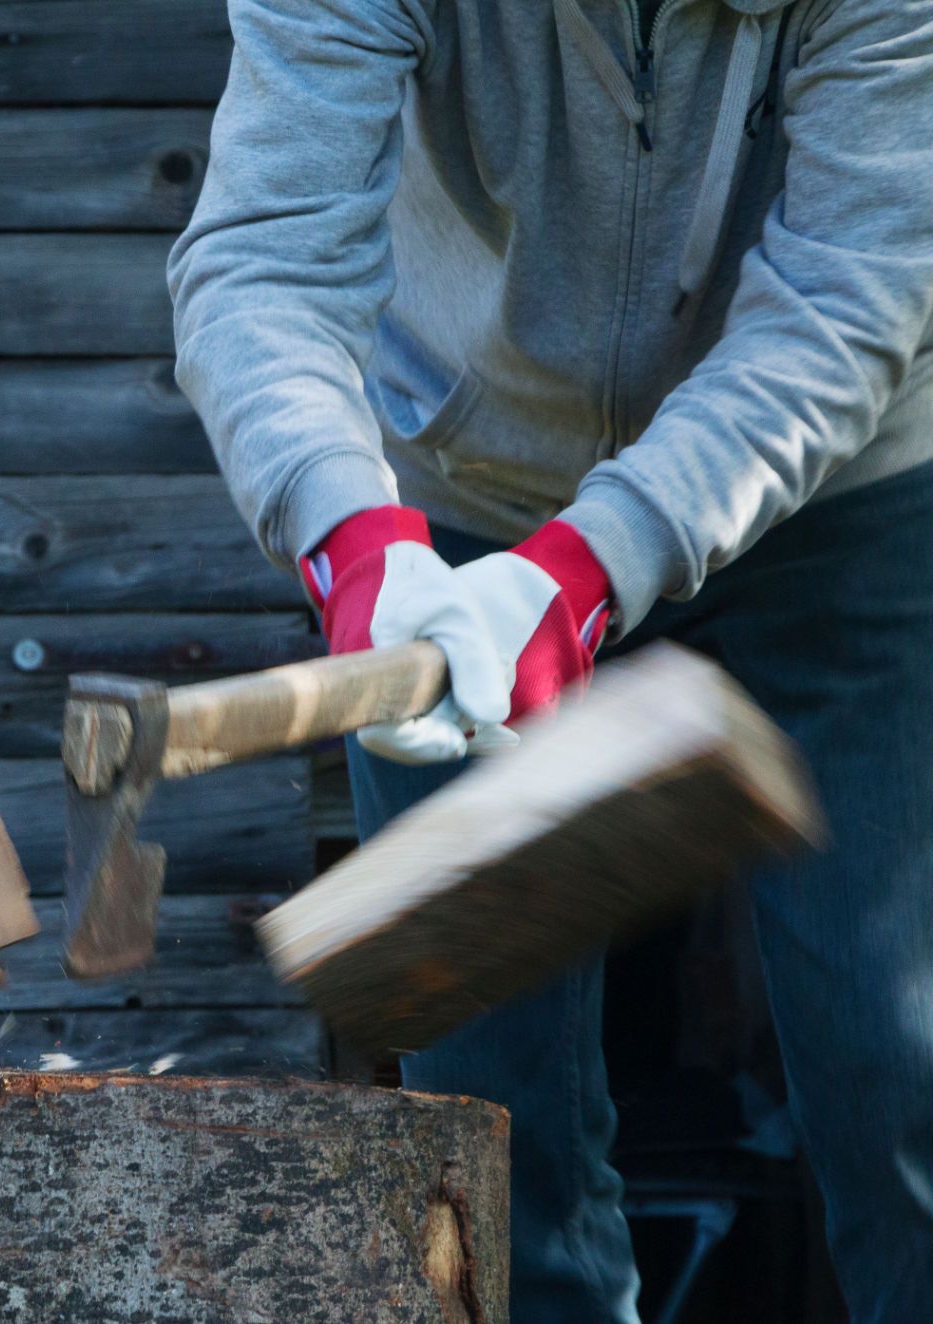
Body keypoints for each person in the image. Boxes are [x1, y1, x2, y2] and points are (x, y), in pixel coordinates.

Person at [167, 1, 933, 1319]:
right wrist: (357, 546)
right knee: (489, 1126)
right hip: (468, 508)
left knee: (901, 1068)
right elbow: (265, 267)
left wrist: (588, 571)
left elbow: (856, 287)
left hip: (845, 502)